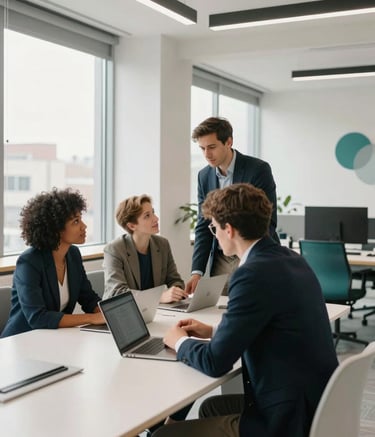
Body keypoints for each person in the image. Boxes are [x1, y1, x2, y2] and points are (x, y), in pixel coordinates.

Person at [154, 183, 338, 437]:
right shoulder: (291, 259)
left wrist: (180, 342)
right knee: (210, 407)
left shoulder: (251, 274)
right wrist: (213, 330)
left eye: (214, 228)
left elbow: (215, 362)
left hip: (286, 419)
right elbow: (270, 322)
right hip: (314, 401)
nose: (214, 235)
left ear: (229, 230)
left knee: (163, 435)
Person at [186, 116, 279, 294]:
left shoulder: (257, 169)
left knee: (252, 307)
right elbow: (204, 224)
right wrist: (197, 272)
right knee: (219, 311)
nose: (206, 154)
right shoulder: (204, 176)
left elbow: (268, 221)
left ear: (229, 142)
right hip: (221, 257)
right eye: (202, 148)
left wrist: (248, 255)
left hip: (252, 253)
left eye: (212, 147)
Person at [1, 188, 105, 338]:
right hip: (22, 340)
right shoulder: (29, 262)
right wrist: (92, 318)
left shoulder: (73, 254)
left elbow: (88, 298)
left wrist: (109, 314)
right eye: (76, 221)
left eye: (81, 218)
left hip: (52, 339)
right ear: (56, 229)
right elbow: (38, 317)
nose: (84, 226)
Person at [103, 194, 188, 303]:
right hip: (124, 313)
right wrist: (158, 298)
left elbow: (175, 280)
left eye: (153, 212)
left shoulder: (162, 244)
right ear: (132, 226)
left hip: (156, 312)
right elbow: (117, 292)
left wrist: (176, 291)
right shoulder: (114, 249)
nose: (156, 219)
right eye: (147, 216)